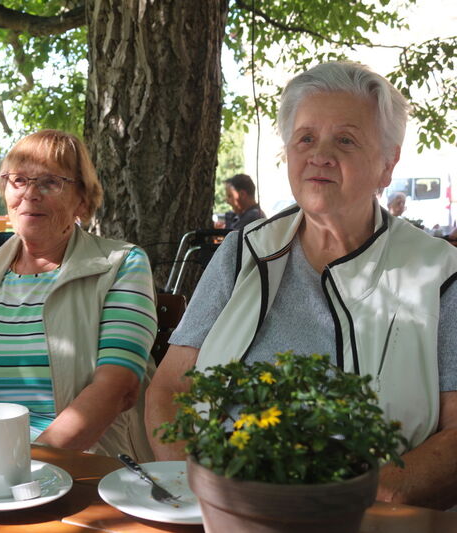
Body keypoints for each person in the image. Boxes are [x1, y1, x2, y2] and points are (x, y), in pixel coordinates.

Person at [145, 61, 457, 509]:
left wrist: (340, 505)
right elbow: (171, 389)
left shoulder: (439, 273)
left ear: (388, 164)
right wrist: (199, 497)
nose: (320, 155)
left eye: (345, 140)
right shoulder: (242, 253)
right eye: (305, 138)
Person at [0, 129, 157, 460]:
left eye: (50, 182)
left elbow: (117, 388)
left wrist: (25, 463)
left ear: (82, 199)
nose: (30, 194)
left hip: (85, 463)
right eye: (18, 180)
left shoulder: (120, 264)